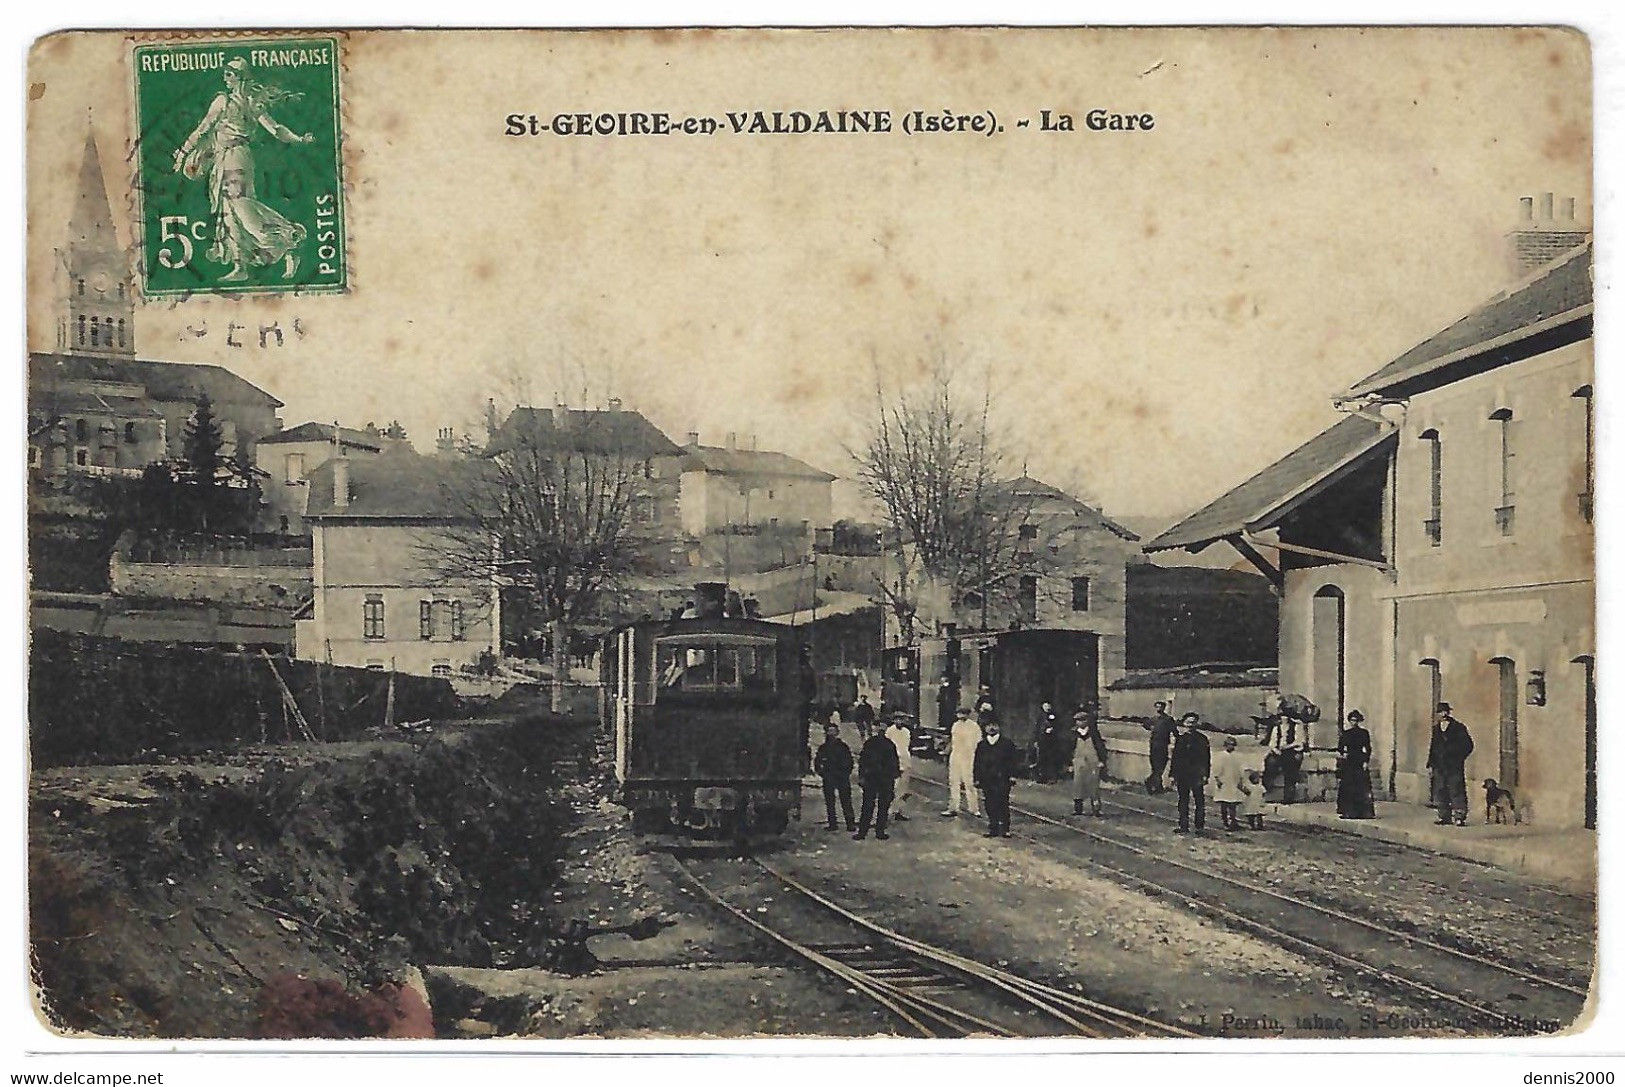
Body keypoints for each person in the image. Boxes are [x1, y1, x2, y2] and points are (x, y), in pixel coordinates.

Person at [172, 57, 315, 283]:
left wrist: (298, 139)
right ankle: (240, 266)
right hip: (226, 158)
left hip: (235, 158)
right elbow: (204, 130)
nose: (225, 78)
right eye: (226, 73)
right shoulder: (237, 101)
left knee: (241, 207)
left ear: (240, 78)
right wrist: (184, 153)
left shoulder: (240, 102)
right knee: (229, 210)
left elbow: (275, 129)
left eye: (230, 74)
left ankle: (288, 240)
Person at [1426, 702, 1474, 827]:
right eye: (1440, 712)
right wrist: (1431, 764)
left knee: (1456, 790)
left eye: (1445, 711)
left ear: (1448, 713)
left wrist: (1458, 758)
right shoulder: (1436, 729)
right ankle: (1444, 816)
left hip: (1454, 766)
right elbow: (1433, 747)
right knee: (1440, 790)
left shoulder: (1458, 728)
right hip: (1439, 766)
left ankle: (1459, 817)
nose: (1443, 714)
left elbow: (1468, 745)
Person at [853, 723, 902, 840]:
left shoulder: (884, 744)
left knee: (876, 806)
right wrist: (862, 776)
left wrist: (893, 776)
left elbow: (894, 762)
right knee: (872, 805)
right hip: (875, 778)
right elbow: (863, 761)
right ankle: (870, 831)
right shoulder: (876, 744)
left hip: (880, 778)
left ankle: (871, 831)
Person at [974, 720, 1022, 837]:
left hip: (1002, 778)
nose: (991, 728)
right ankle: (993, 828)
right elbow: (977, 762)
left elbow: (1013, 761)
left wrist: (1012, 775)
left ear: (999, 727)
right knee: (989, 803)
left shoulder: (1007, 744)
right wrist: (977, 778)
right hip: (987, 779)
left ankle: (1005, 828)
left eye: (994, 725)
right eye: (989, 725)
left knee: (1003, 802)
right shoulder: (982, 745)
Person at [1170, 712, 1211, 834]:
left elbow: (1206, 759)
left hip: (1197, 774)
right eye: (1188, 722)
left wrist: (1205, 775)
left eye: (1193, 722)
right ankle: (1183, 825)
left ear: (1197, 724)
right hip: (1183, 774)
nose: (1191, 725)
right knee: (1183, 800)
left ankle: (1199, 826)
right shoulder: (1180, 739)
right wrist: (1172, 775)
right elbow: (1175, 758)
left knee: (1199, 800)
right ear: (1184, 723)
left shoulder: (1202, 739)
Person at [813, 722, 856, 831]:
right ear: (826, 733)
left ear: (837, 733)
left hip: (842, 777)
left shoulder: (843, 747)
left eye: (833, 731)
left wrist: (845, 772)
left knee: (846, 801)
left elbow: (850, 761)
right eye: (829, 731)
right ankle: (832, 824)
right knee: (830, 802)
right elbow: (817, 762)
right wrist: (822, 773)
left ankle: (850, 823)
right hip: (829, 777)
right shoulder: (823, 748)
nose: (831, 734)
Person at [942, 708, 983, 818]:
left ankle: (974, 808)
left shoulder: (974, 727)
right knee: (954, 782)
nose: (961, 716)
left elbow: (978, 743)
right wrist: (947, 751)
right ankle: (953, 808)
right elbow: (953, 740)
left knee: (969, 782)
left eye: (964, 713)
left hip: (969, 757)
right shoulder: (955, 725)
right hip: (956, 755)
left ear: (968, 714)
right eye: (959, 713)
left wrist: (977, 757)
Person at [1336, 710, 1377, 819]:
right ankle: (1349, 812)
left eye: (1356, 720)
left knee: (1362, 786)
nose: (1354, 722)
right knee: (1349, 786)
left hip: (1359, 760)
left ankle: (1365, 812)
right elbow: (1340, 747)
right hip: (1349, 761)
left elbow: (1368, 748)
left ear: (1359, 721)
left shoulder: (1364, 733)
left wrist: (1366, 761)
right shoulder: (1346, 733)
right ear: (1349, 721)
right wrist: (1343, 754)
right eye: (1352, 720)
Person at [1209, 735, 1248, 831]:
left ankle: (1233, 821)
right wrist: (1218, 779)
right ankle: (1225, 822)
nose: (1231, 746)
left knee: (1233, 804)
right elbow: (1216, 769)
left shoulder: (1237, 756)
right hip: (1224, 781)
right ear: (1225, 745)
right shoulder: (1221, 755)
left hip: (1234, 781)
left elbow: (1240, 769)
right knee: (1224, 803)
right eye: (1229, 745)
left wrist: (1241, 779)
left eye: (1233, 745)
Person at [1070, 710, 1105, 817]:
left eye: (1083, 720)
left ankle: (1096, 809)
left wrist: (1102, 760)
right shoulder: (1073, 734)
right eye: (1078, 720)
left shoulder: (1093, 733)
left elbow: (1100, 747)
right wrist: (1069, 764)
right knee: (1078, 786)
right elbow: (1069, 749)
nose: (1081, 722)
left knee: (1094, 787)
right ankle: (1078, 809)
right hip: (1078, 762)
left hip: (1093, 762)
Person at [1143, 701, 1177, 794]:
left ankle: (1153, 783)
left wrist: (1179, 739)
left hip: (1163, 745)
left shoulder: (1168, 719)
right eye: (1157, 707)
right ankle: (1155, 784)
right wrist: (1151, 727)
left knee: (1161, 766)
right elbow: (1145, 724)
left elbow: (1174, 730)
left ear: (1164, 708)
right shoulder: (1153, 719)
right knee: (1155, 767)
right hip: (1154, 745)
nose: (1159, 709)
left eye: (1161, 707)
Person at [885, 717, 914, 822]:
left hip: (905, 760)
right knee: (894, 787)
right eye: (898, 719)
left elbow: (907, 746)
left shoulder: (906, 732)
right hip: (894, 761)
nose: (900, 722)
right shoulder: (890, 731)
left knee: (903, 788)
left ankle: (899, 811)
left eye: (902, 719)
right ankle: (888, 812)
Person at [1033, 702, 1060, 783]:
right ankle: (1041, 778)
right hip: (1042, 741)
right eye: (1045, 706)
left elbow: (1057, 726)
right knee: (1041, 759)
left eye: (1048, 706)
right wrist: (1036, 740)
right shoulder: (1040, 717)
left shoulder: (1053, 716)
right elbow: (1036, 729)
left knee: (1051, 759)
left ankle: (1052, 777)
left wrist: (1052, 730)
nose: (1047, 708)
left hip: (1051, 741)